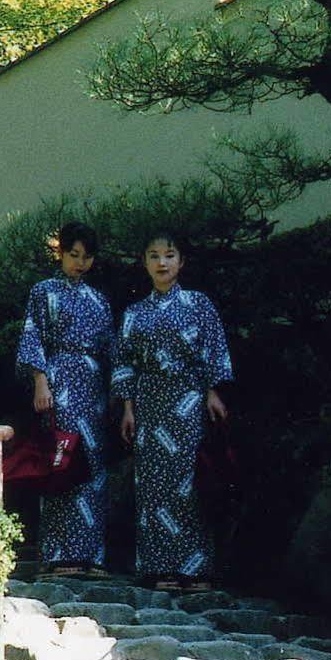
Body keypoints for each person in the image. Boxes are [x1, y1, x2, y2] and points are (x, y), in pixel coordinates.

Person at [112, 231, 232, 592]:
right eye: (154, 256)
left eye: (169, 255)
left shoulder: (199, 304)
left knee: (190, 482)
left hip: (189, 400)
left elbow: (213, 347)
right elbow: (124, 362)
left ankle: (196, 570)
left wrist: (213, 391)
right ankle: (159, 569)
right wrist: (127, 409)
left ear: (181, 261)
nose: (162, 263)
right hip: (149, 402)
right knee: (153, 485)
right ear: (144, 262)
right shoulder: (134, 313)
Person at [15, 221, 114, 579]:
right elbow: (32, 337)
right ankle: (58, 554)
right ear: (61, 253)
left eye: (87, 257)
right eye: (74, 255)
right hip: (59, 380)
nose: (80, 263)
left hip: (93, 386)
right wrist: (41, 382)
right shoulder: (43, 292)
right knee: (60, 460)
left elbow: (110, 349)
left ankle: (92, 556)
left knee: (92, 466)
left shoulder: (99, 298)